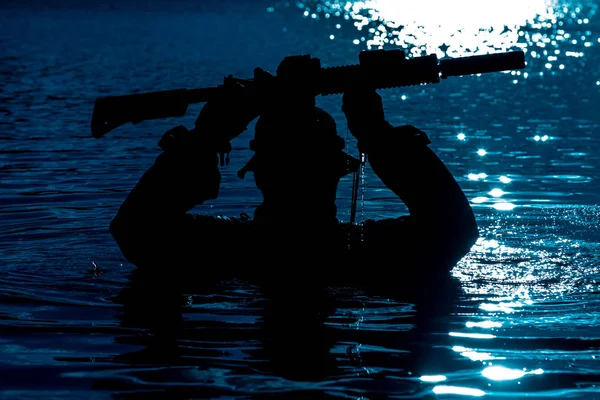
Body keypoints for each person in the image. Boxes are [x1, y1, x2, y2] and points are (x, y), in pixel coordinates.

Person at [109, 59, 479, 291]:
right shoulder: (367, 251)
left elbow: (135, 229)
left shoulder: (221, 247)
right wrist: (374, 131)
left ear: (259, 174)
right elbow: (455, 227)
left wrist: (208, 136)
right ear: (338, 171)